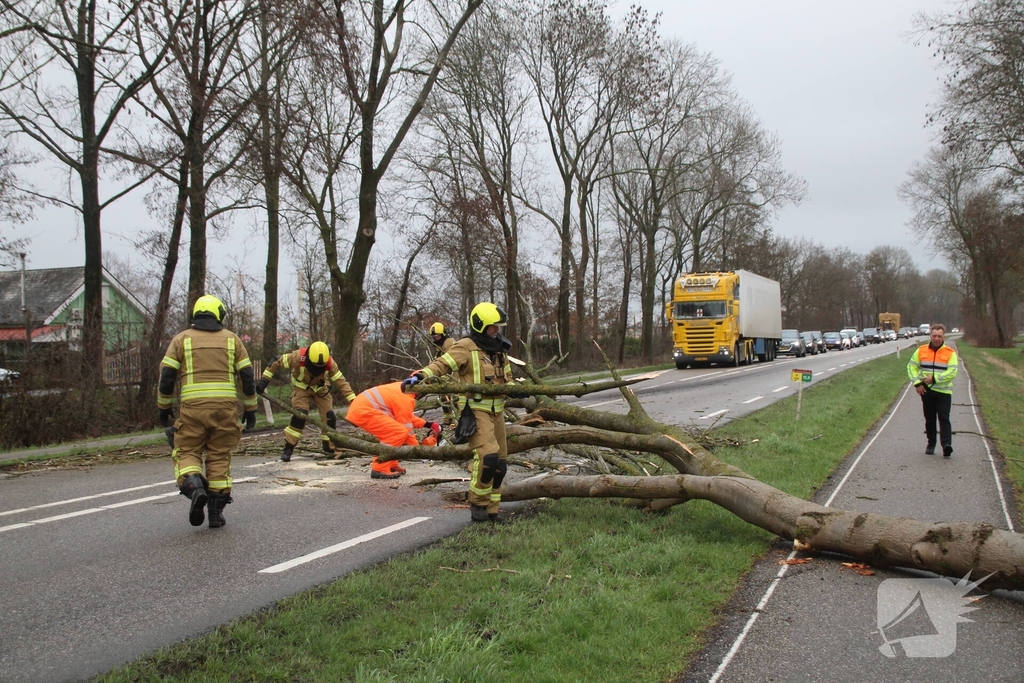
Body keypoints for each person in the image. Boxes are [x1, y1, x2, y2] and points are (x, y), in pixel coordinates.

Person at [404, 302, 514, 522]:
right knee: (488, 457)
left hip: (497, 412)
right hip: (475, 411)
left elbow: (508, 379)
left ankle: (492, 510)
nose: (497, 330)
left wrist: (516, 390)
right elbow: (441, 364)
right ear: (481, 325)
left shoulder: (500, 349)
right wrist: (420, 376)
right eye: (493, 326)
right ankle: (478, 505)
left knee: (500, 463)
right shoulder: (465, 346)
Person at [157, 294, 257, 529]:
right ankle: (215, 513)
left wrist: (163, 406)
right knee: (219, 455)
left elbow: (167, 377)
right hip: (225, 410)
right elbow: (248, 377)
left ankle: (194, 487)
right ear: (220, 315)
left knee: (188, 450)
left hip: (193, 410)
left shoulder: (181, 340)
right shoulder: (233, 340)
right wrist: (251, 408)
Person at [256, 341, 357, 462]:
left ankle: (328, 446)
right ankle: (288, 448)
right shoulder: (298, 357)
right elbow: (275, 361)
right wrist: (264, 381)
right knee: (300, 414)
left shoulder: (330, 363)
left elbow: (342, 382)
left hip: (320, 389)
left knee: (329, 417)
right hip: (301, 388)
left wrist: (354, 401)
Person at [345, 381, 443, 479]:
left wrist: (428, 424)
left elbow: (406, 417)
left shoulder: (404, 390)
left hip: (363, 409)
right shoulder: (405, 398)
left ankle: (390, 464)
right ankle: (379, 468)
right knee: (397, 433)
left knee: (395, 433)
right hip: (363, 411)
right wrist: (418, 450)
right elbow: (406, 426)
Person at [907, 323, 959, 457]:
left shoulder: (950, 353)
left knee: (944, 418)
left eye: (939, 336)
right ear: (930, 336)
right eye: (934, 336)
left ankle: (946, 445)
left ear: (943, 337)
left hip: (944, 392)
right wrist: (917, 383)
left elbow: (952, 372)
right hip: (927, 391)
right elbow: (911, 367)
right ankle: (931, 443)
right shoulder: (921, 350)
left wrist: (935, 378)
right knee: (929, 419)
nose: (936, 339)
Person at [428, 322, 456, 424]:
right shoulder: (440, 344)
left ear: (443, 334)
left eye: (437, 336)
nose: (435, 338)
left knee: (454, 399)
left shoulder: (449, 343)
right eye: (434, 337)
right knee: (444, 398)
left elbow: (449, 360)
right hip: (444, 377)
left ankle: (457, 418)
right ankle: (448, 419)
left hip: (452, 376)